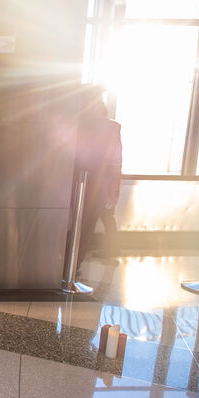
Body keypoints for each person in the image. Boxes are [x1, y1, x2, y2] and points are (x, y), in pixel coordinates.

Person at [72, 88, 122, 273]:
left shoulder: (108, 128)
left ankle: (72, 265)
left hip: (90, 184)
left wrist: (112, 191)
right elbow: (116, 162)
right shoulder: (80, 124)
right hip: (85, 183)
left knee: (84, 226)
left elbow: (115, 162)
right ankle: (73, 265)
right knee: (86, 225)